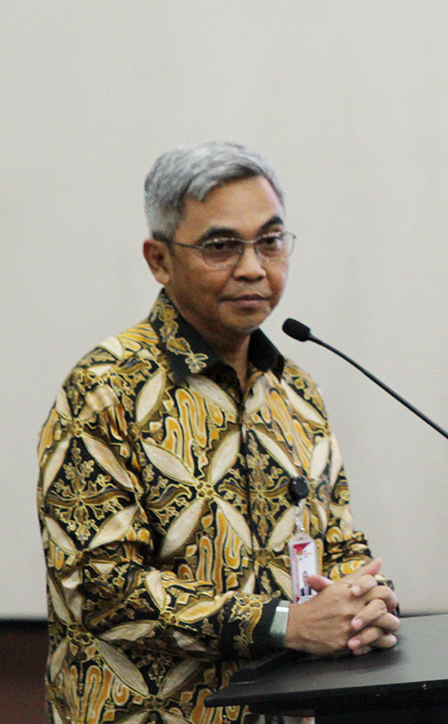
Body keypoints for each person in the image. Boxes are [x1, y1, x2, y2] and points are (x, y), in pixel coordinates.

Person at [36, 142, 399, 724]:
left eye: (271, 241)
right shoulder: (106, 388)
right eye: (221, 246)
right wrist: (283, 623)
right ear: (159, 260)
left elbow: (338, 543)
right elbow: (103, 588)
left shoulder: (294, 390)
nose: (253, 267)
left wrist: (366, 602)